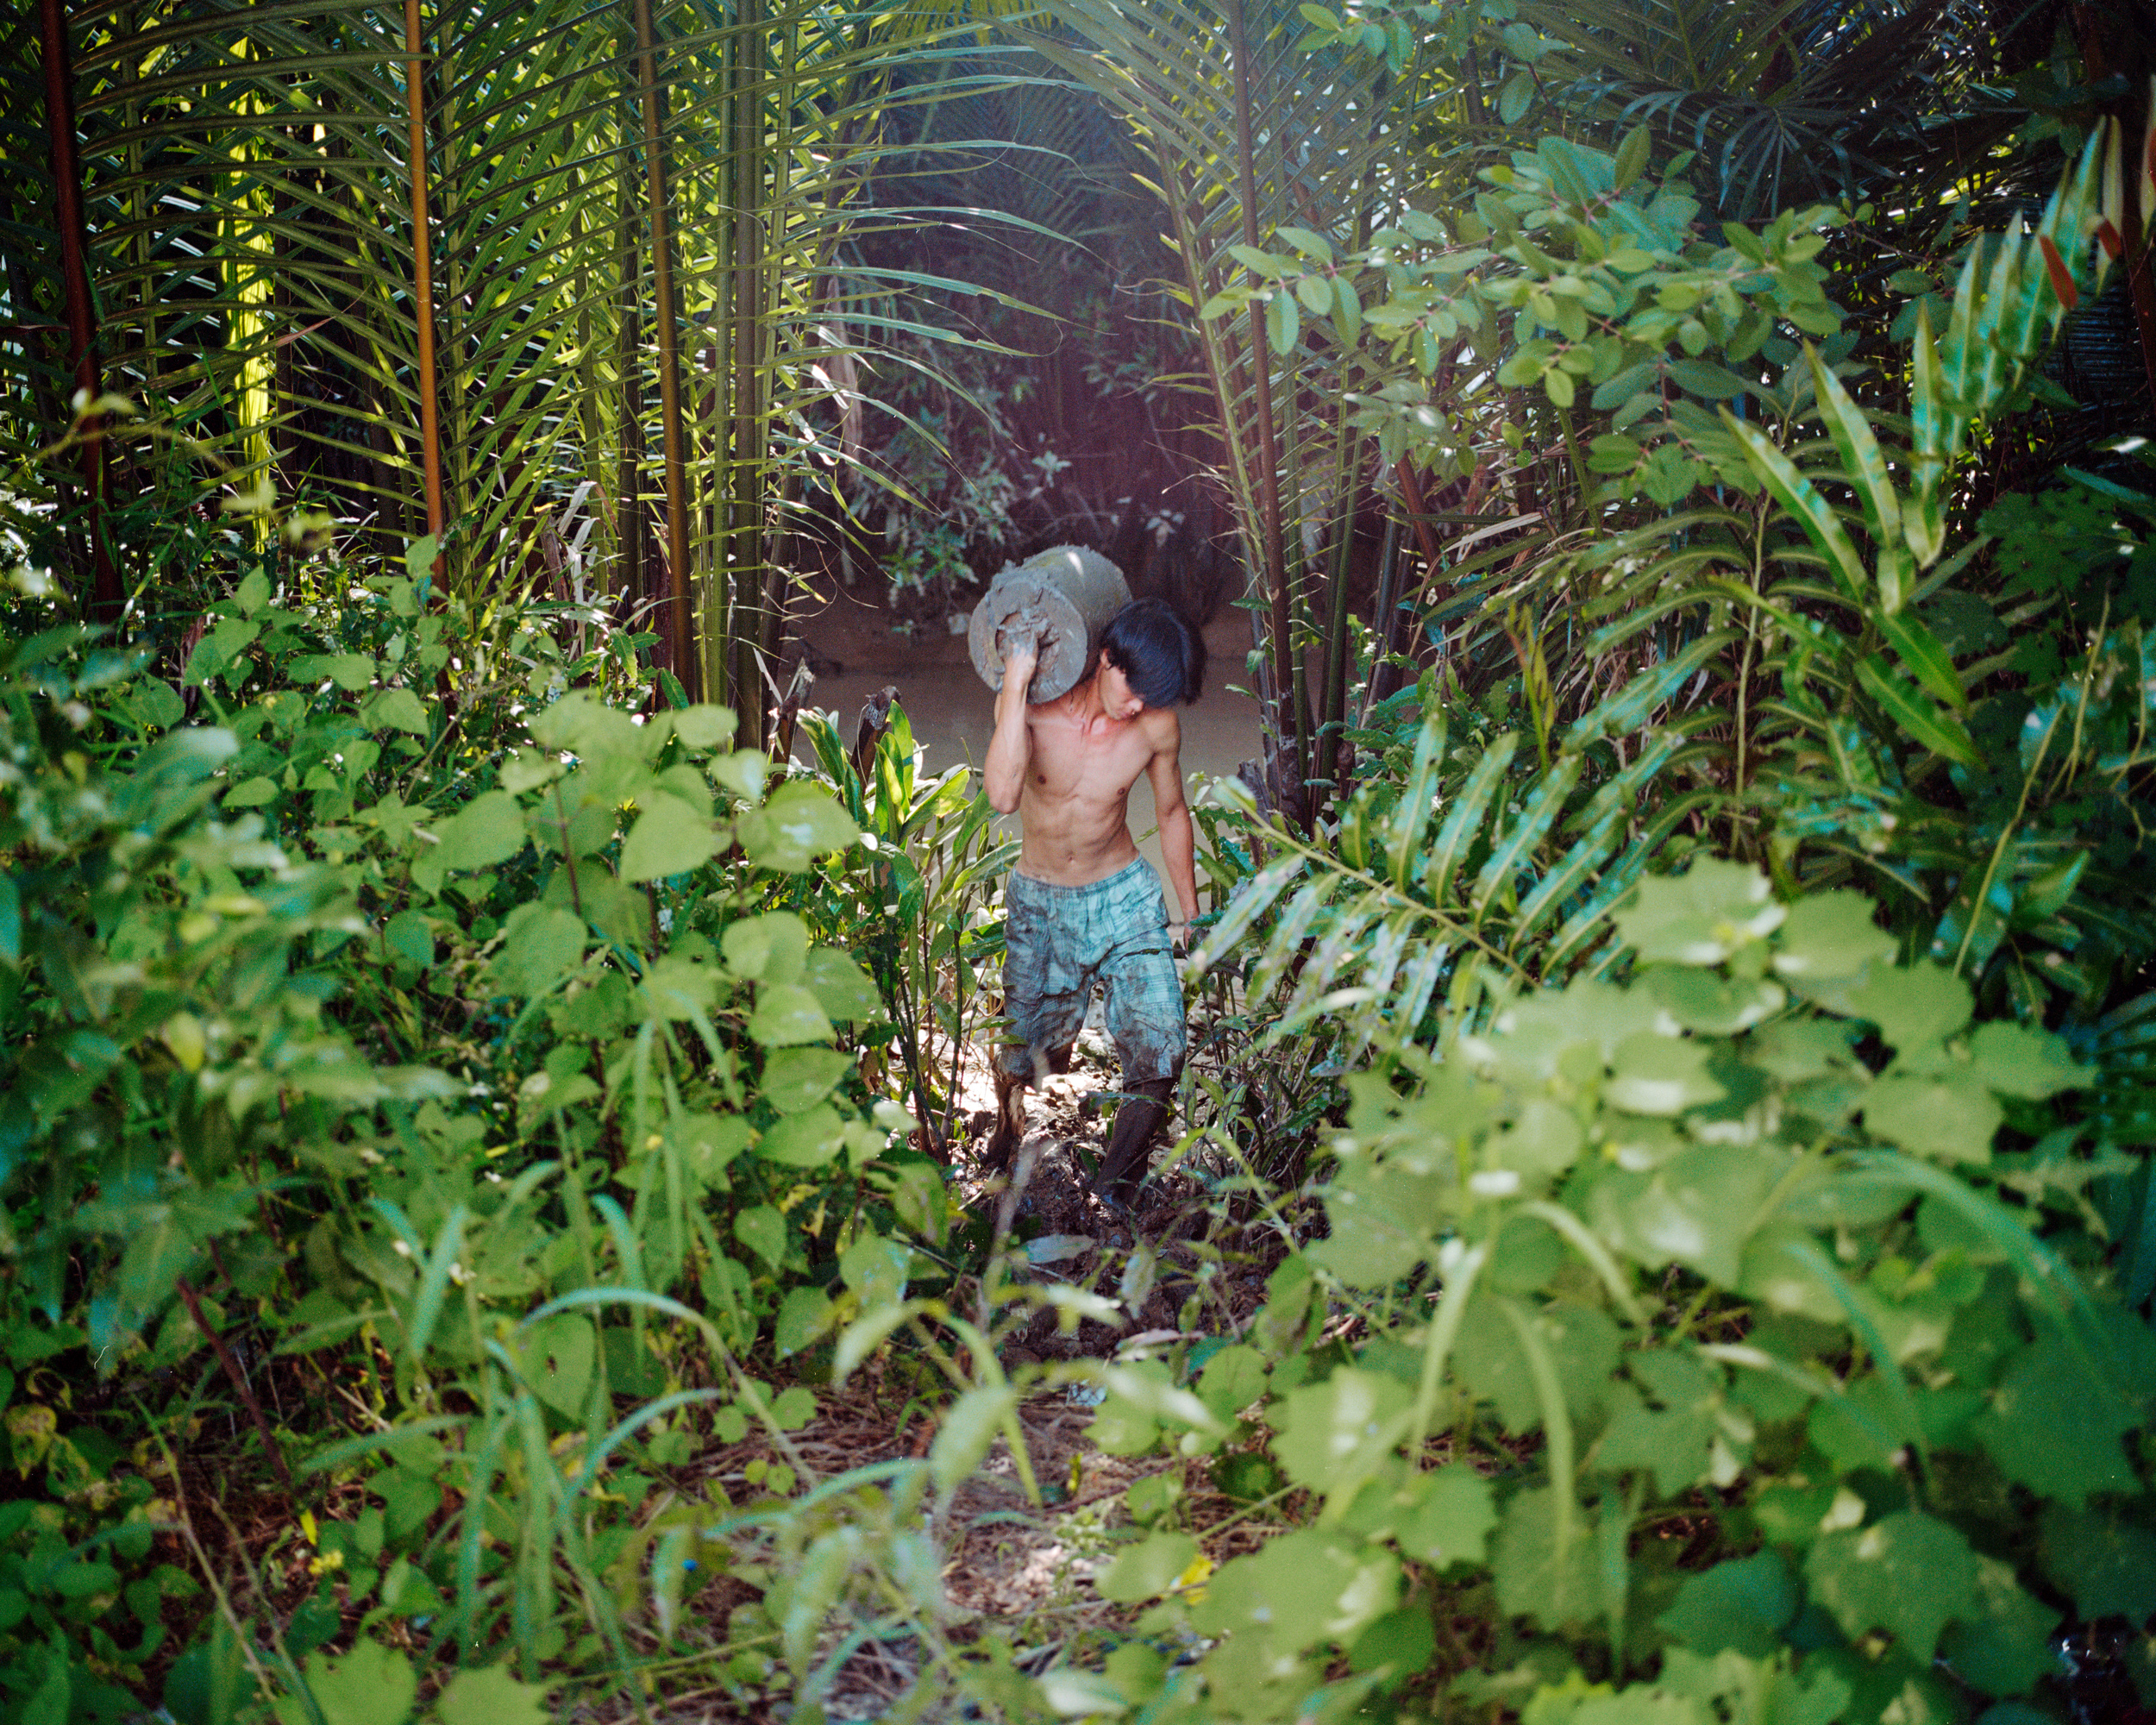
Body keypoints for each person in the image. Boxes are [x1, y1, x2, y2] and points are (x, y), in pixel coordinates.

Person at [981, 595, 1206, 1206]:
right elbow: (1002, 796)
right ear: (1106, 659)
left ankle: (1114, 1192)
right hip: (1041, 900)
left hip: (1123, 894)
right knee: (1028, 1055)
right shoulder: (1035, 708)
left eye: (1153, 698)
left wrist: (1190, 911)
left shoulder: (1155, 725)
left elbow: (1171, 810)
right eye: (1137, 689)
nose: (1140, 707)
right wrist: (1017, 681)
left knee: (1161, 1045)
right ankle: (1006, 1136)